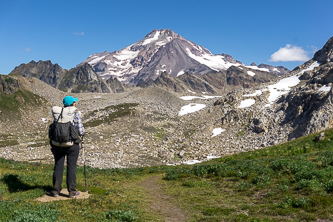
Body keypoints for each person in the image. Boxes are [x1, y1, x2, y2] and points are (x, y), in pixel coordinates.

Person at [50, 96, 84, 198]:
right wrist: (81, 136)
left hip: (57, 144)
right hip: (71, 144)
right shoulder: (75, 113)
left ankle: (55, 191)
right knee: (71, 167)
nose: (75, 103)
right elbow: (80, 129)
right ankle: (72, 192)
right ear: (72, 103)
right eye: (74, 102)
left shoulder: (58, 113)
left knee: (58, 166)